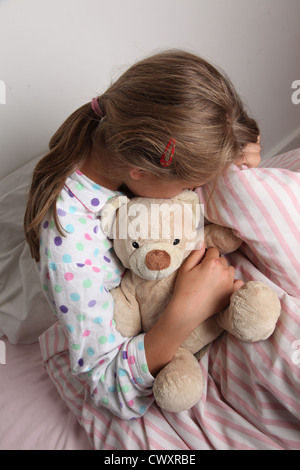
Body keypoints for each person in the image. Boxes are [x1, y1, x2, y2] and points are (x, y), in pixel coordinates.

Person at [24, 50, 261, 419]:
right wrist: (186, 310)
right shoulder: (69, 244)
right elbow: (105, 385)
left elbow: (216, 137)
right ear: (139, 172)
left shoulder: (126, 143)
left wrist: (233, 146)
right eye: (194, 184)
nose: (198, 190)